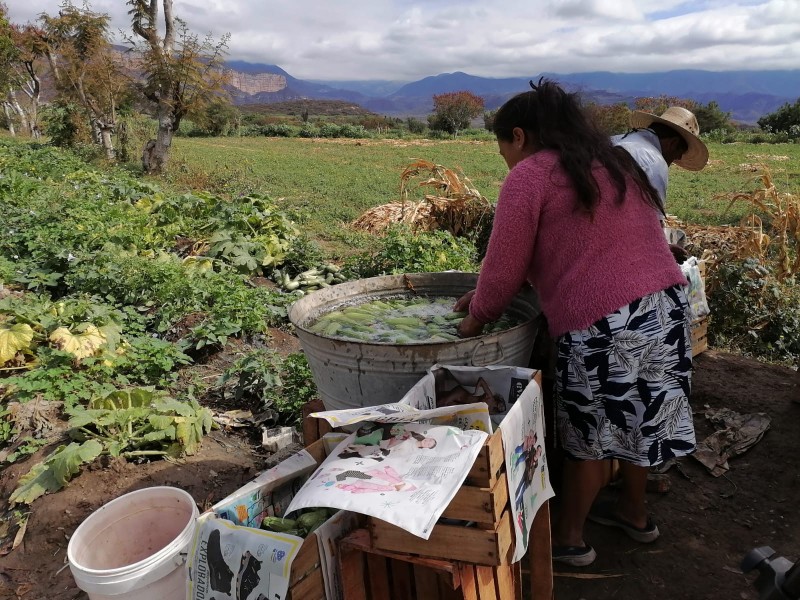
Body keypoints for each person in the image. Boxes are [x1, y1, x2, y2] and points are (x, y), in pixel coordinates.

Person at [455, 80, 696, 567]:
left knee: (589, 434)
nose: (504, 156)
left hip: (603, 322)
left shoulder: (530, 175)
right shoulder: (615, 163)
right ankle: (634, 512)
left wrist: (470, 325)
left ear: (518, 136)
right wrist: (495, 292)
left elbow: (500, 275)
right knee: (642, 415)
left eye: (501, 145)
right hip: (666, 307)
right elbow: (587, 245)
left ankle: (569, 539)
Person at [612, 106, 709, 259]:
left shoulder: (613, 140)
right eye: (677, 155)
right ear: (673, 143)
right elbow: (652, 226)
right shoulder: (654, 161)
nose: (672, 162)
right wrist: (664, 251)